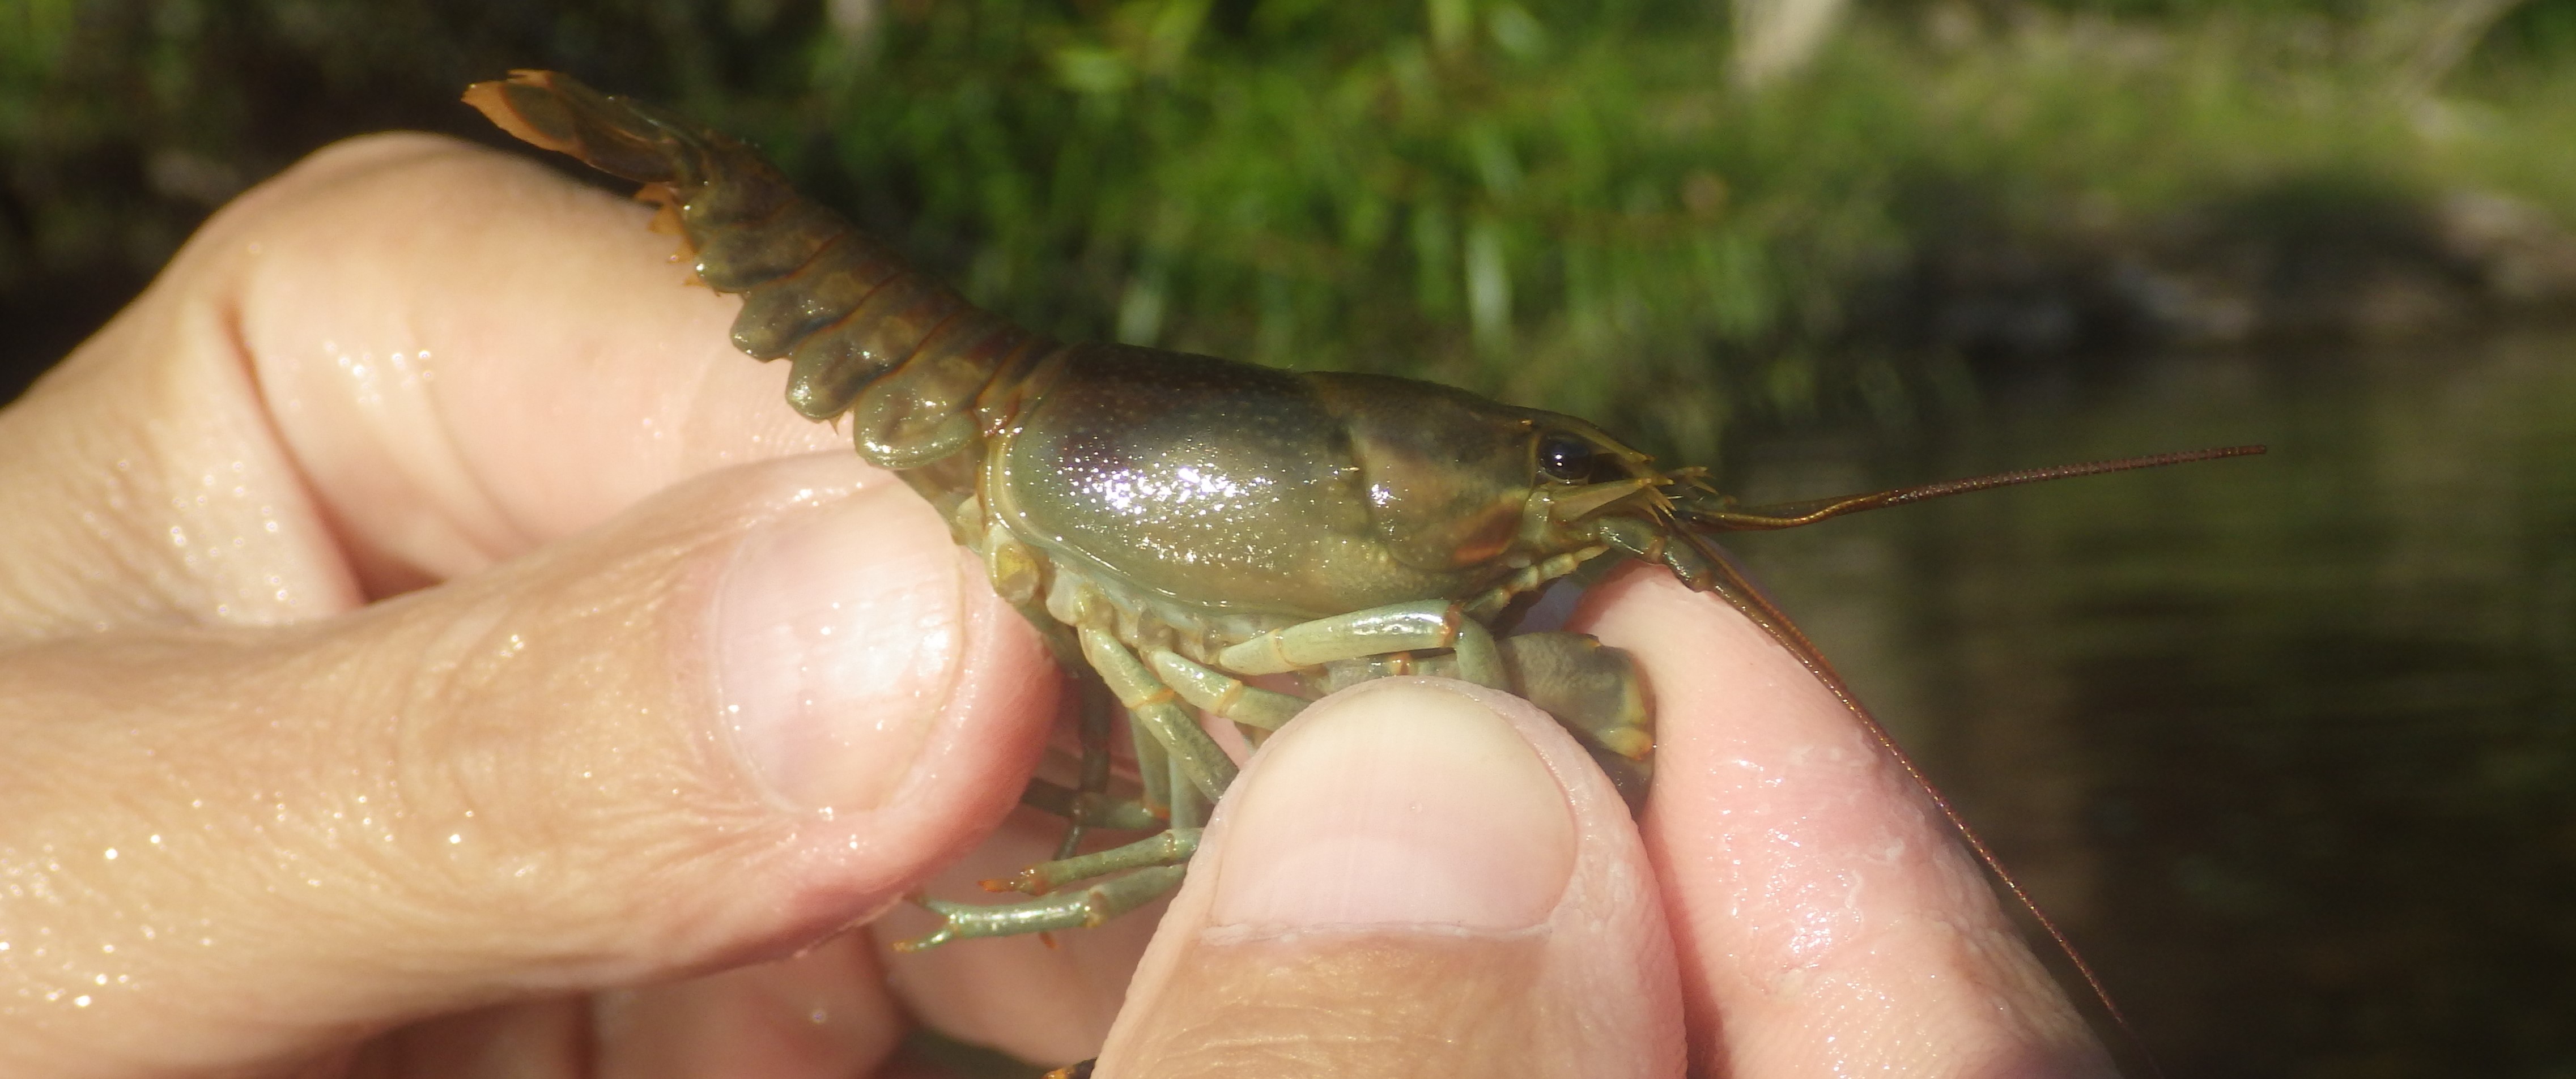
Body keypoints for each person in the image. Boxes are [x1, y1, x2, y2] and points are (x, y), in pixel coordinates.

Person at [0, 133, 2116, 1078]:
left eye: (1556, 476)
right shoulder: (1394, 589)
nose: (1573, 516)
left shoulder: (1381, 519)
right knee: (1454, 682)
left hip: (1054, 465)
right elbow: (1370, 688)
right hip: (982, 417)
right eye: (1552, 476)